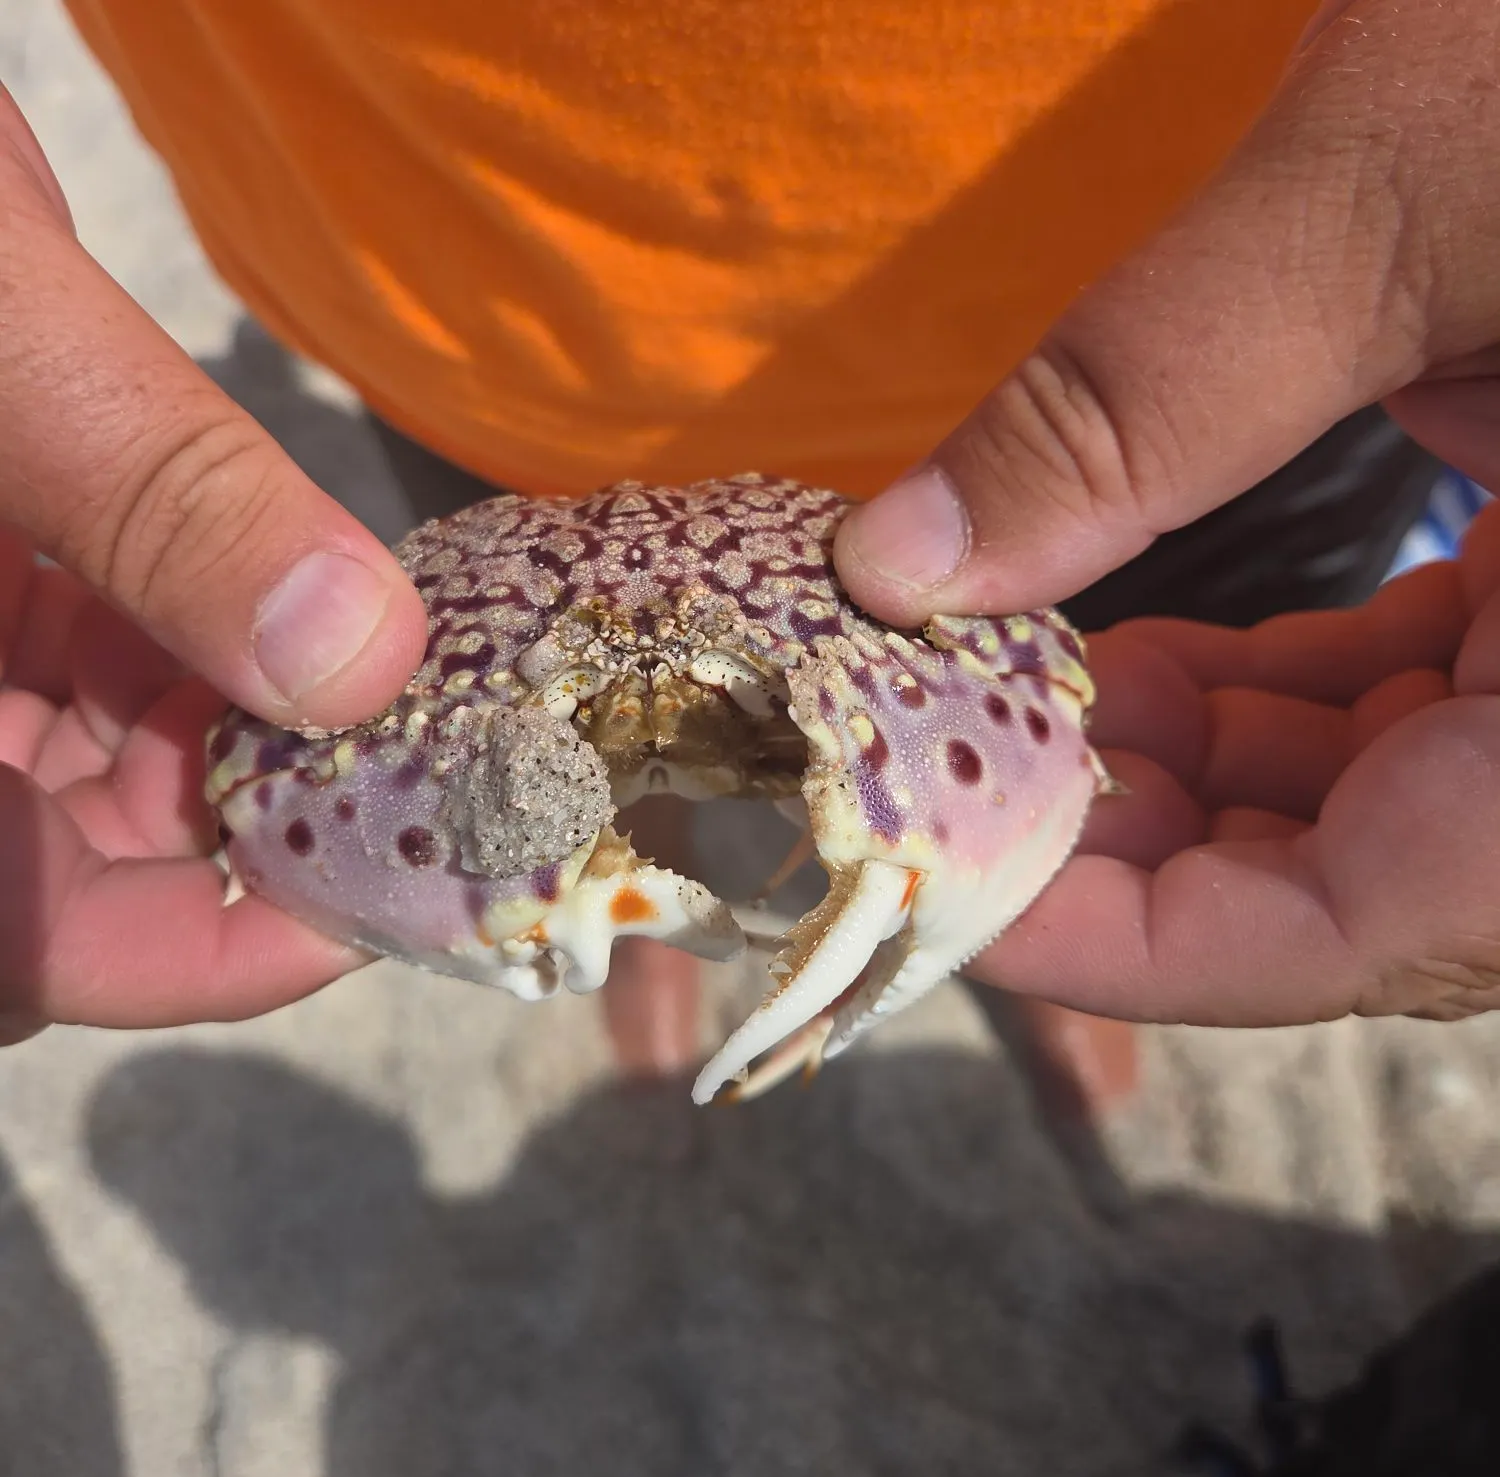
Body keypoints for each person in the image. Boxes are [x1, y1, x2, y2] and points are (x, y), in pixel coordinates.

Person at [3, 0, 1497, 1086]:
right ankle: (647, 914)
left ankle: (989, 913)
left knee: (1150, 721)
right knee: (521, 765)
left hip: (1252, 329)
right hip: (466, 313)